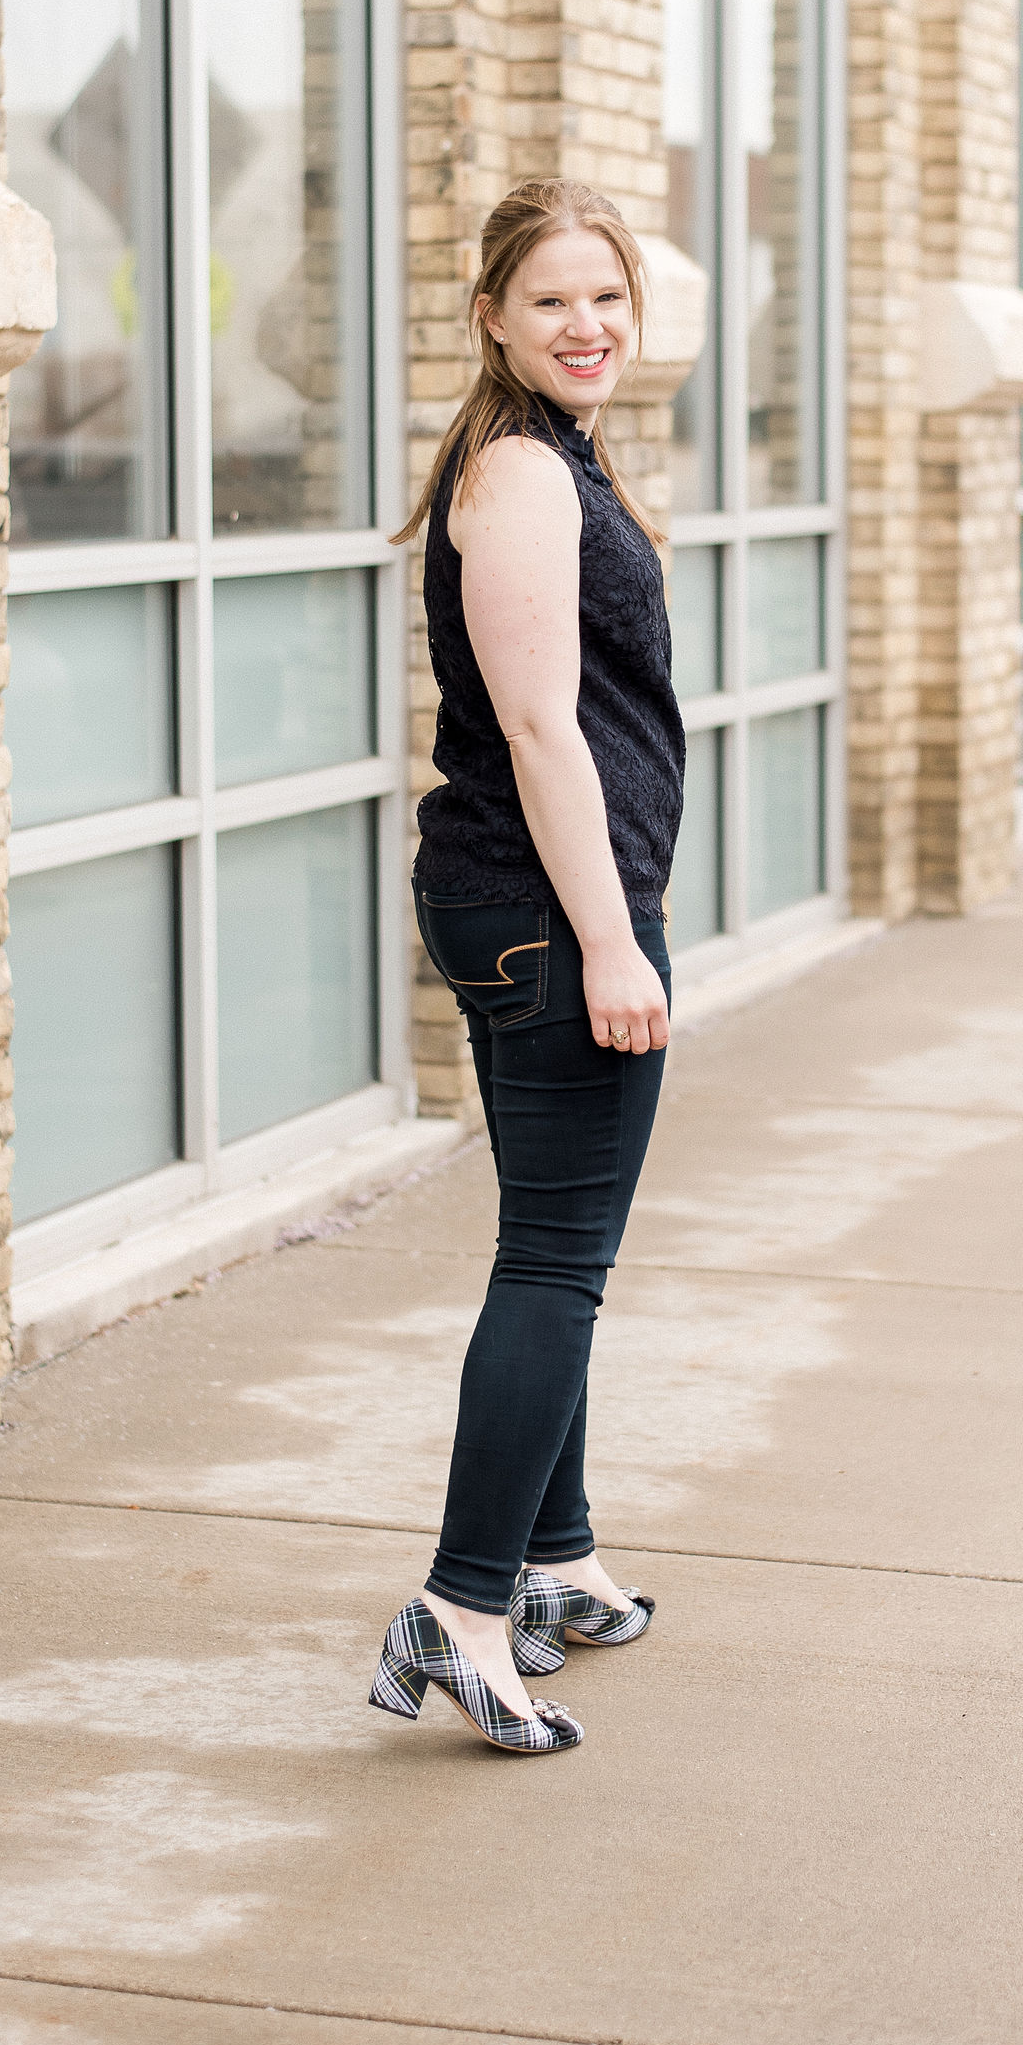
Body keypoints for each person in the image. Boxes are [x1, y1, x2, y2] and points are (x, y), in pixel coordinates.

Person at [368, 181, 685, 1756]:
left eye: (608, 299)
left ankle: (551, 1563)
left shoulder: (548, 460)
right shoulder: (519, 475)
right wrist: (616, 940)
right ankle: (465, 1608)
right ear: (491, 315)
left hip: (537, 903)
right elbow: (545, 727)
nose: (587, 327)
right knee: (557, 1268)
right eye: (553, 300)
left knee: (554, 1252)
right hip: (553, 916)